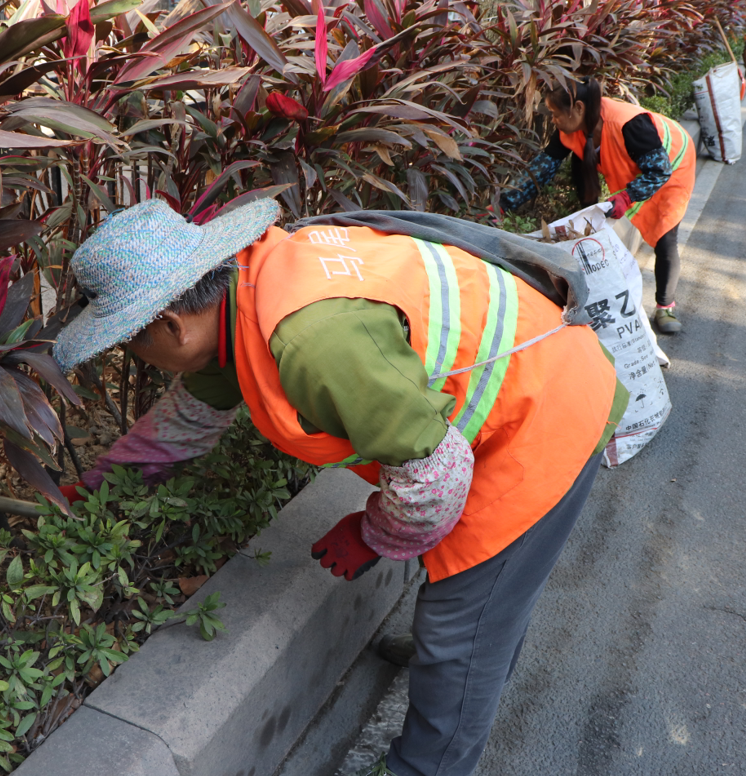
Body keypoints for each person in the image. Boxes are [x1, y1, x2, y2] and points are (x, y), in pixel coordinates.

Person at [52, 198, 629, 776]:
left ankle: (428, 753)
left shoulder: (310, 341)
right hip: (496, 405)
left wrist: (374, 533)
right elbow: (187, 421)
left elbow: (434, 477)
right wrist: (97, 487)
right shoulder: (247, 285)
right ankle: (469, 659)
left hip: (543, 412)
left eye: (132, 340)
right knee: (487, 610)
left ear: (174, 326)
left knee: (464, 620)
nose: (137, 357)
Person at [500, 79, 696, 335]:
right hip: (636, 169)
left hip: (672, 163)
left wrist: (628, 196)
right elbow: (544, 166)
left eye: (556, 113)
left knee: (664, 235)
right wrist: (504, 202)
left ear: (578, 108)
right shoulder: (573, 127)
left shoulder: (629, 125)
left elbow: (659, 171)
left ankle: (664, 305)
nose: (554, 119)